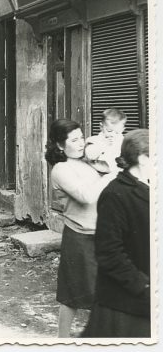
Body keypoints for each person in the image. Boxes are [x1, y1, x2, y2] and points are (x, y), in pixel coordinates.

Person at [45, 118, 118, 337]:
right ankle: (62, 340)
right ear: (60, 145)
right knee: (72, 294)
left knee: (106, 290)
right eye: (73, 140)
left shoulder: (87, 162)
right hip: (79, 237)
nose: (80, 143)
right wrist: (109, 177)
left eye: (81, 138)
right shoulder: (60, 169)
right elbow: (86, 196)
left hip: (102, 234)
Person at [83, 129, 151, 338]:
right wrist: (144, 286)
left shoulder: (149, 187)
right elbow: (109, 252)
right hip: (124, 304)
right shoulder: (115, 194)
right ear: (142, 158)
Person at [84, 108, 127, 174]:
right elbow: (90, 155)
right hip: (99, 173)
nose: (112, 135)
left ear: (122, 130)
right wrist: (102, 145)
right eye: (109, 131)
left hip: (119, 173)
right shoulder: (94, 140)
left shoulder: (122, 141)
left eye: (117, 132)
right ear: (101, 127)